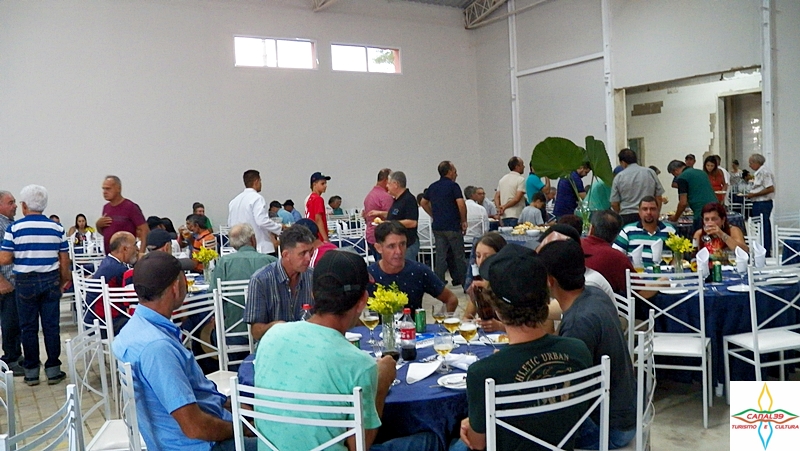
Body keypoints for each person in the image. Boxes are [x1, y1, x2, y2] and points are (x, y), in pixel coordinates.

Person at [254, 250, 440, 451]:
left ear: (313, 295)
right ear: (362, 302)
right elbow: (360, 445)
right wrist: (382, 382)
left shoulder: (272, 335)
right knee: (431, 439)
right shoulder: (359, 364)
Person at [453, 244, 592, 451]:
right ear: (547, 297)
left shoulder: (483, 372)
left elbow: (478, 443)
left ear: (497, 308)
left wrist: (472, 423)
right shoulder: (578, 350)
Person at [112, 252, 256, 451]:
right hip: (202, 445)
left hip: (187, 431)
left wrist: (231, 405)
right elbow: (194, 428)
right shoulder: (157, 348)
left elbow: (194, 397)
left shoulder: (133, 330)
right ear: (176, 287)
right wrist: (242, 429)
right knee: (285, 441)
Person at [538, 239, 637, 449]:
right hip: (626, 412)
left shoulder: (578, 323)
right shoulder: (594, 294)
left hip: (609, 429)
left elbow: (567, 397)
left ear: (549, 280)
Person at [0, 185, 69, 386]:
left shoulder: (14, 228)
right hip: (50, 279)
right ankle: (53, 369)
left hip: (24, 282)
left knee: (28, 327)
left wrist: (22, 254)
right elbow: (65, 261)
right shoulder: (57, 228)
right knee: (51, 326)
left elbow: (5, 259)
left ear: (24, 206)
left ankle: (31, 372)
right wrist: (62, 281)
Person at [208, 223, 276, 363]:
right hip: (267, 332)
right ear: (253, 239)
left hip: (233, 334)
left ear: (233, 244)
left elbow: (212, 298)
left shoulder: (223, 263)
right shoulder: (271, 262)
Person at [243, 224, 315, 341]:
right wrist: (274, 327)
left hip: (307, 342)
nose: (308, 258)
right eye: (303, 253)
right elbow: (255, 332)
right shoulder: (261, 280)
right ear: (286, 255)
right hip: (274, 344)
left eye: (310, 252)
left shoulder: (313, 276)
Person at [368, 221, 458, 312]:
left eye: (402, 244)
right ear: (379, 248)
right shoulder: (368, 275)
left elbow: (451, 300)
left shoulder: (418, 271)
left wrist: (440, 320)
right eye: (391, 246)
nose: (399, 251)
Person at [421, 161, 467, 287]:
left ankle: (438, 285)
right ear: (449, 172)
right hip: (452, 226)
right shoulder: (454, 186)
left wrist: (433, 214)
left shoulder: (432, 186)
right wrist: (463, 220)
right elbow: (461, 204)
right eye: (455, 171)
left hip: (438, 227)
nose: (456, 174)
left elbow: (423, 202)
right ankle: (465, 284)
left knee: (440, 257)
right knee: (459, 257)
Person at [85, 231, 139, 333]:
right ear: (125, 249)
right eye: (135, 245)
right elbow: (134, 296)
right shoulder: (118, 270)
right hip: (104, 324)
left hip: (93, 320)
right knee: (147, 323)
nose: (137, 249)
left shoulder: (108, 262)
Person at [228, 169, 283, 257]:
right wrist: (279, 228)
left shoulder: (234, 201)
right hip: (259, 247)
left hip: (239, 249)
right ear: (256, 181)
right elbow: (262, 221)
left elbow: (231, 224)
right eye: (260, 181)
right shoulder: (257, 198)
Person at [368, 171, 420, 261]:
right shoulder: (397, 200)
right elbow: (396, 214)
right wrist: (380, 213)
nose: (387, 186)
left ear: (395, 184)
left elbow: (412, 222)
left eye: (389, 183)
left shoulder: (408, 199)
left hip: (407, 244)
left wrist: (390, 223)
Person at [614, 196, 677, 267]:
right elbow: (616, 255)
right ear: (639, 212)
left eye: (652, 209)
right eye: (645, 209)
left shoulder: (669, 230)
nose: (649, 212)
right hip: (636, 273)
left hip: (663, 272)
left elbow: (679, 255)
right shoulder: (628, 230)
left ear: (658, 211)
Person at [582, 210, 634, 295]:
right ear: (616, 235)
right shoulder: (618, 258)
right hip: (606, 301)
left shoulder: (573, 245)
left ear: (591, 229)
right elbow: (639, 291)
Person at [0, 190, 23, 376]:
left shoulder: (9, 223)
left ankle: (16, 354)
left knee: (15, 321)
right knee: (9, 322)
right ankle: (10, 359)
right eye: (11, 202)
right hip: (5, 283)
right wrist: (1, 281)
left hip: (14, 282)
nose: (15, 206)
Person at [463, 232, 506, 333]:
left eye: (487, 257)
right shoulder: (479, 285)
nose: (481, 261)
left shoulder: (510, 284)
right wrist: (473, 323)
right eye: (478, 256)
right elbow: (466, 318)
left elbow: (530, 328)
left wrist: (500, 326)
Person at [611, 148, 665, 225]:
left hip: (627, 216)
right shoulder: (650, 172)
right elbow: (658, 197)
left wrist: (620, 213)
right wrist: (656, 213)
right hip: (648, 214)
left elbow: (614, 203)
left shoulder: (619, 177)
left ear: (623, 162)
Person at [96, 175, 149, 255]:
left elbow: (144, 230)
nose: (105, 192)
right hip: (110, 255)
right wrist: (98, 225)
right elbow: (106, 232)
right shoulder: (106, 208)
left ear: (118, 188)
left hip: (127, 256)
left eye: (108, 189)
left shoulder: (130, 207)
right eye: (103, 189)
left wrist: (141, 252)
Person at [666, 160, 717, 232]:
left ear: (676, 171)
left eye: (674, 174)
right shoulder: (701, 172)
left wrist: (675, 217)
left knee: (700, 236)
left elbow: (683, 203)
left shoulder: (682, 177)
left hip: (701, 212)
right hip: (716, 209)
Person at [746, 153, 775, 256]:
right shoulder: (759, 172)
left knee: (763, 227)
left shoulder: (764, 172)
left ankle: (765, 250)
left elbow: (770, 188)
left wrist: (754, 194)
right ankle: (761, 249)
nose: (749, 165)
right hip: (758, 202)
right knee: (760, 227)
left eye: (751, 163)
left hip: (762, 203)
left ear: (757, 162)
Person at [363, 168, 394, 261]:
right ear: (386, 180)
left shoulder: (369, 195)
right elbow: (392, 217)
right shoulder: (385, 197)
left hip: (370, 235)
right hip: (383, 236)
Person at [494, 156, 526, 227]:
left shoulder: (502, 180)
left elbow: (496, 197)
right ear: (517, 166)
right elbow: (517, 198)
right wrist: (504, 207)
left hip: (504, 215)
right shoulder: (520, 179)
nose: (524, 166)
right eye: (522, 165)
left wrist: (499, 208)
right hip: (516, 215)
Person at [306, 171, 331, 242]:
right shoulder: (318, 199)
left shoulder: (309, 198)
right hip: (318, 236)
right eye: (322, 183)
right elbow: (318, 219)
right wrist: (325, 238)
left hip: (311, 234)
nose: (325, 186)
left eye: (325, 183)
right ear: (314, 184)